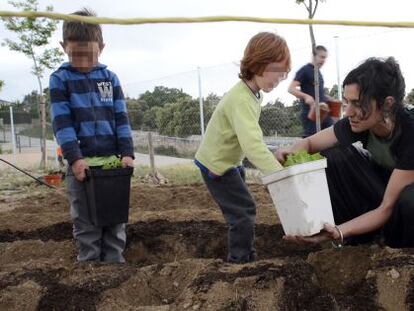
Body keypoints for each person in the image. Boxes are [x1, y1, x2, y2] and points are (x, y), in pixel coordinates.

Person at [277, 57, 414, 248]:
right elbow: (309, 143)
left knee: (410, 198)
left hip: (400, 206)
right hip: (385, 196)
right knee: (333, 155)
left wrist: (339, 232)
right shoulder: (360, 122)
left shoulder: (409, 132)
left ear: (387, 104)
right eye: (347, 102)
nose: (348, 112)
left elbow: (386, 207)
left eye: (357, 103)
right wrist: (290, 153)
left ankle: (400, 250)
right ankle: (360, 239)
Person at [195, 32, 290, 263]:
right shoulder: (241, 99)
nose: (279, 80)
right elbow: (252, 145)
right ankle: (239, 261)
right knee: (243, 211)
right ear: (258, 63)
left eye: (283, 74)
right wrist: (280, 175)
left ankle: (246, 253)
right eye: (276, 72)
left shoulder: (250, 94)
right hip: (217, 165)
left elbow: (249, 137)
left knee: (242, 207)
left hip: (229, 162)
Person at [50, 8, 135, 263]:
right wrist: (75, 159)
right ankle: (89, 268)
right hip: (83, 167)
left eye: (91, 55)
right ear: (64, 47)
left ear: (102, 48)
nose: (85, 62)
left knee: (115, 217)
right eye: (77, 55)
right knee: (86, 220)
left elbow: (121, 118)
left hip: (112, 165)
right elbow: (62, 123)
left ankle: (114, 264)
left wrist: (127, 153)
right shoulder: (60, 79)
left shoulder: (109, 79)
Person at [288, 45, 342, 137]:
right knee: (311, 141)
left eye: (325, 58)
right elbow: (291, 89)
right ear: (313, 56)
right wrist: (306, 96)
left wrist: (330, 99)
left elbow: (319, 93)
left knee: (331, 136)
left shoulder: (318, 73)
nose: (323, 60)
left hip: (324, 112)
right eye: (321, 57)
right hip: (311, 113)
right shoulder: (305, 70)